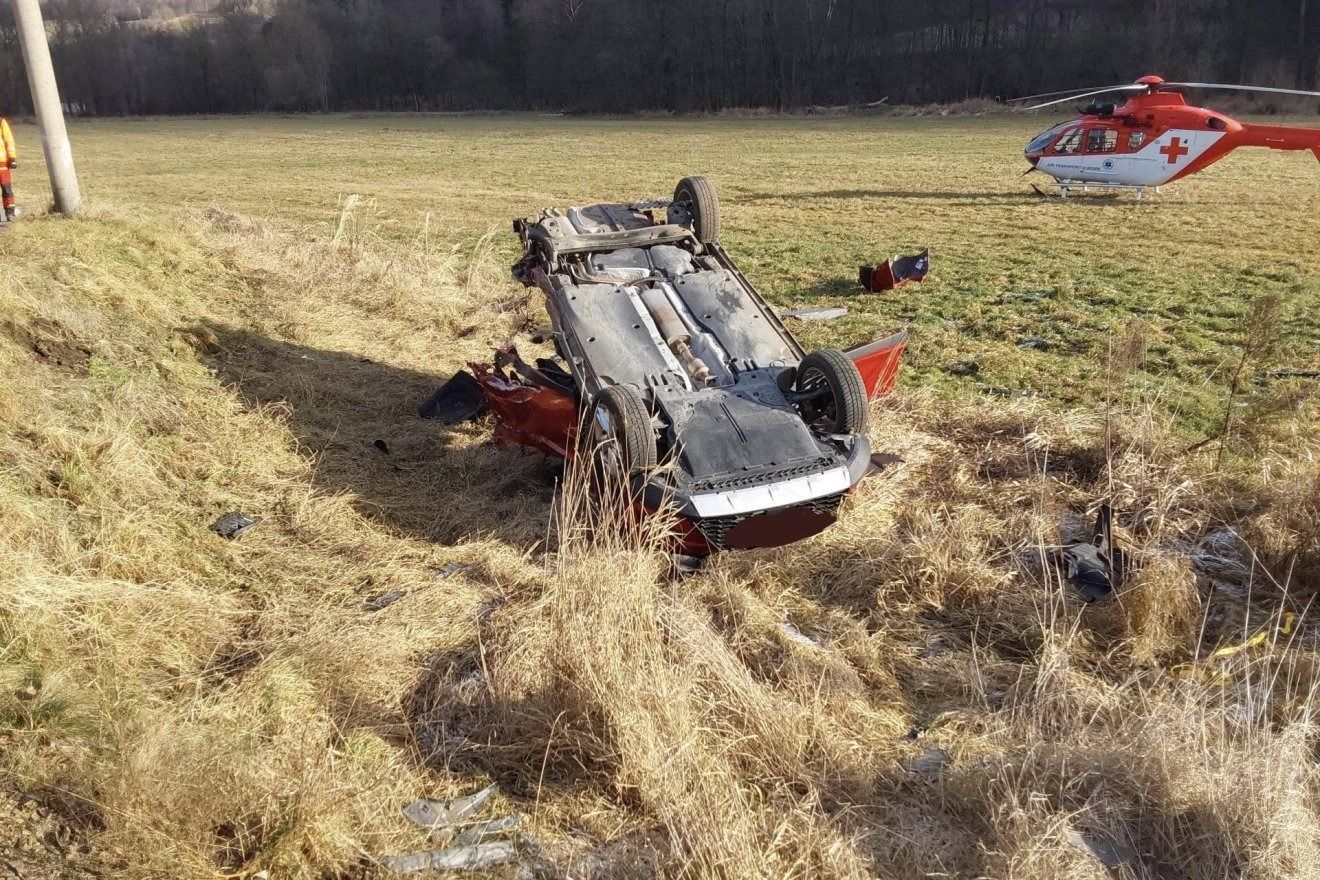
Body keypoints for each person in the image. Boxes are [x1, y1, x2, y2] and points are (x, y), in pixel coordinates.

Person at [0, 117, 17, 222]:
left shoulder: (1, 122)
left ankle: (10, 212)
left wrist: (12, 158)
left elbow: (8, 140)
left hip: (2, 162)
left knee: (6, 188)